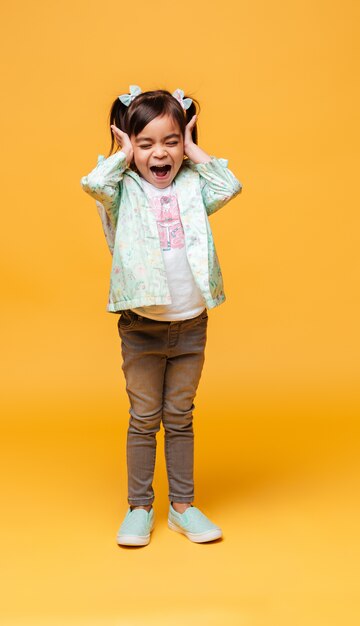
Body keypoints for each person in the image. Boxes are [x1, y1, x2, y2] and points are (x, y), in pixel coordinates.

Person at [80, 85, 242, 546]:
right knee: (144, 417)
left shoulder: (192, 185)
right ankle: (139, 507)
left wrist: (193, 148)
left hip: (191, 322)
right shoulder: (122, 190)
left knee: (181, 416)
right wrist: (123, 154)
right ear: (130, 146)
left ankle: (183, 507)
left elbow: (228, 186)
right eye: (146, 143)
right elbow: (93, 184)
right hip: (142, 327)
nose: (160, 153)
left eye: (170, 141)